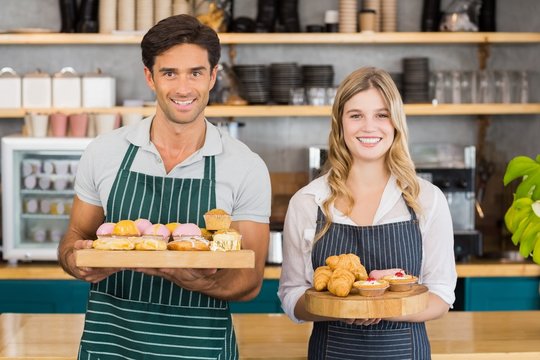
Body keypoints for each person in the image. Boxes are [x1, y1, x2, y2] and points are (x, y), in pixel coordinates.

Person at [58, 14, 271, 359]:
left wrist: (197, 281)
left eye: (196, 73)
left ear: (213, 76)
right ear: (150, 77)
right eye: (169, 73)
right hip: (110, 346)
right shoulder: (105, 151)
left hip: (200, 350)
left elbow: (250, 280)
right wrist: (75, 260)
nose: (184, 88)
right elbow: (75, 235)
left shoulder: (246, 166)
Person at [278, 66, 457, 359]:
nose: (369, 127)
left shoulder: (425, 200)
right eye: (356, 115)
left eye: (381, 115)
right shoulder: (308, 201)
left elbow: (441, 295)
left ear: (396, 122)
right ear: (340, 124)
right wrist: (341, 308)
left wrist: (378, 303)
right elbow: (292, 295)